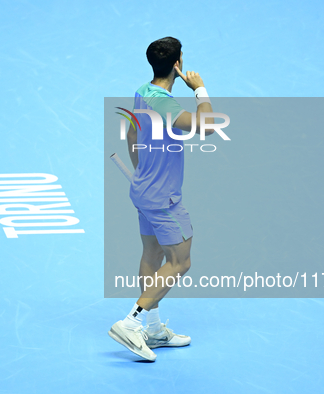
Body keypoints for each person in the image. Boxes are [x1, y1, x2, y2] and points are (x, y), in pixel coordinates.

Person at [108, 37, 215, 361]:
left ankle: (152, 329)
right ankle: (131, 321)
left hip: (141, 189)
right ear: (178, 62)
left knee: (152, 256)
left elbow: (131, 135)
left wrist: (144, 173)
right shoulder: (165, 105)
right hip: (164, 199)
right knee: (181, 262)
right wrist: (199, 89)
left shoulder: (142, 92)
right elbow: (206, 127)